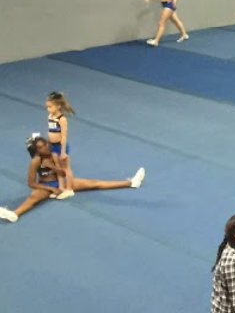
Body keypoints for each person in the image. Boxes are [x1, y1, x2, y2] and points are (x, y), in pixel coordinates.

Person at [0, 134, 144, 223]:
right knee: (32, 198)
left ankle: (131, 182)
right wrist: (50, 189)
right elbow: (31, 183)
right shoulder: (35, 162)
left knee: (94, 183)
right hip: (46, 186)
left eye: (46, 144)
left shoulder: (54, 154)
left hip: (61, 183)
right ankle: (15, 214)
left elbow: (63, 173)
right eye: (42, 147)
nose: (46, 147)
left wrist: (54, 168)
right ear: (36, 151)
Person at [45, 91, 76, 198]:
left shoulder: (62, 119)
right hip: (53, 146)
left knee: (66, 167)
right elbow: (49, 131)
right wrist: (48, 143)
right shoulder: (50, 116)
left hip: (60, 146)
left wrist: (63, 152)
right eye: (47, 107)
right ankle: (61, 188)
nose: (48, 109)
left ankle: (69, 189)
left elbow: (63, 137)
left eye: (50, 107)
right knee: (57, 167)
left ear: (58, 106)